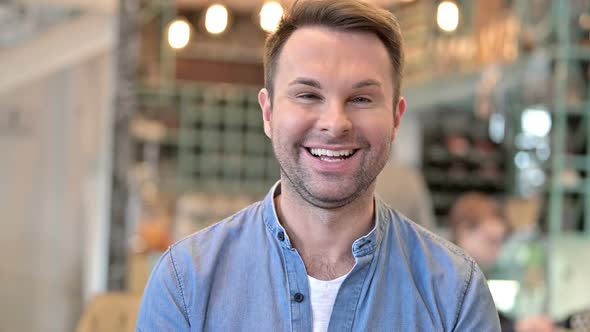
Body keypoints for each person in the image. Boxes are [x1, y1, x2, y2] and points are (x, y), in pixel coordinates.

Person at [136, 0, 500, 330]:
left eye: (360, 98)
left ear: (395, 118)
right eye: (308, 95)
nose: (335, 122)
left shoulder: (455, 293)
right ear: (268, 112)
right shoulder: (185, 283)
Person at [449, 192, 555, 332]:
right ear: (464, 231)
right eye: (491, 241)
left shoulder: (470, 273)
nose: (497, 252)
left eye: (500, 243)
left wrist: (518, 325)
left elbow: (484, 314)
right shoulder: (449, 276)